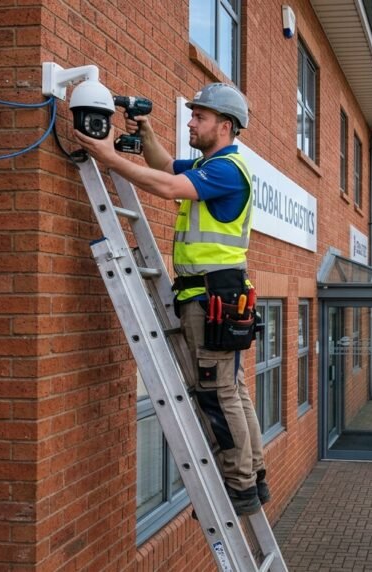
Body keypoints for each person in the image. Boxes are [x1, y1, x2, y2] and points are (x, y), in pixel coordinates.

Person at [75, 83, 267, 516]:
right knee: (232, 390)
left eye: (199, 117)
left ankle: (238, 487)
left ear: (225, 125)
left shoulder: (226, 170)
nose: (191, 122)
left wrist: (110, 158)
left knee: (217, 394)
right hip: (215, 293)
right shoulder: (212, 163)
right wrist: (144, 135)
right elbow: (163, 164)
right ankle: (253, 475)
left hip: (211, 295)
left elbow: (165, 186)